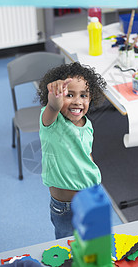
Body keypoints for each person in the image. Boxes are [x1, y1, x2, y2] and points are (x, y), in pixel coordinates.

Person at [37, 61, 106, 239]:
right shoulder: (51, 122)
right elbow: (52, 107)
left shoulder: (87, 125)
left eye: (84, 95)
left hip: (91, 197)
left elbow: (86, 153)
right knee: (66, 246)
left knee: (93, 242)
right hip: (64, 207)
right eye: (69, 95)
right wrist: (55, 101)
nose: (77, 101)